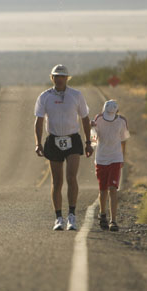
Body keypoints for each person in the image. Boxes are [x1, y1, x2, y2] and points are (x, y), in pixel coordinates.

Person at [34, 64, 93, 231]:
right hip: (53, 140)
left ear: (67, 78)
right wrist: (38, 143)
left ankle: (72, 216)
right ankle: (59, 217)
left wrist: (89, 142)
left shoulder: (76, 95)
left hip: (72, 139)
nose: (59, 79)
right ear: (52, 78)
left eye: (62, 76)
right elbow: (38, 121)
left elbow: (85, 118)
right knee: (57, 181)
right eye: (56, 76)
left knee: (71, 177)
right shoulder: (44, 97)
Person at [90, 99, 129, 232]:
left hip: (115, 158)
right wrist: (91, 131)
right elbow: (94, 137)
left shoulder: (122, 121)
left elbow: (123, 140)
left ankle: (113, 220)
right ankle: (103, 214)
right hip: (101, 158)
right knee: (103, 189)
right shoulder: (98, 119)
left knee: (113, 189)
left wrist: (122, 157)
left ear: (116, 112)